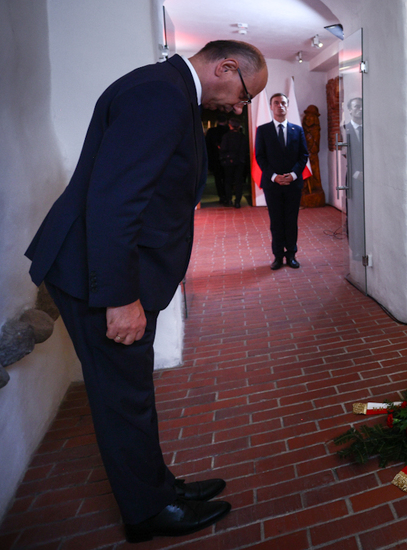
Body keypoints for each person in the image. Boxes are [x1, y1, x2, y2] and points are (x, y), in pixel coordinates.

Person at [25, 40, 268, 542]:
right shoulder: (160, 95)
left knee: (131, 392)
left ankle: (159, 487)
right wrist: (120, 298)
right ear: (225, 67)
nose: (242, 107)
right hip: (101, 277)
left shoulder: (169, 89)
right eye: (246, 94)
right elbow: (115, 202)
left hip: (113, 269)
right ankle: (147, 512)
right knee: (123, 399)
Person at [255, 92, 309, 270]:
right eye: (276, 103)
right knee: (276, 222)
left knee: (291, 221)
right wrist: (274, 176)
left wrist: (293, 175)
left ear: (287, 106)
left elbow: (304, 155)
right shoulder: (263, 130)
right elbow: (260, 157)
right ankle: (278, 256)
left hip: (293, 184)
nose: (280, 106)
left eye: (283, 103)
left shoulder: (297, 130)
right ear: (271, 107)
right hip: (272, 184)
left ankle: (291, 255)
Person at [342, 97, 364, 259]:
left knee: (365, 214)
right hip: (354, 178)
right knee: (354, 216)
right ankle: (355, 249)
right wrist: (357, 173)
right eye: (356, 107)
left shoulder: (369, 129)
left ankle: (365, 246)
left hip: (369, 178)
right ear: (349, 110)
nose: (360, 109)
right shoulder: (345, 129)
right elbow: (345, 153)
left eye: (362, 107)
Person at [220, 119, 249, 208]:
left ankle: (229, 200)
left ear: (230, 126)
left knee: (228, 181)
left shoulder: (226, 136)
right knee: (239, 182)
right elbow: (245, 149)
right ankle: (237, 202)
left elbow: (223, 149)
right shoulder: (243, 137)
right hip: (240, 161)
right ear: (239, 126)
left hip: (229, 161)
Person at [205, 117, 229, 205]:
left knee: (218, 179)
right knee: (227, 178)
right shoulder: (228, 130)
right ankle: (228, 196)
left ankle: (221, 196)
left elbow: (207, 146)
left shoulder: (211, 131)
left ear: (217, 121)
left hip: (215, 158)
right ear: (226, 121)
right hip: (228, 158)